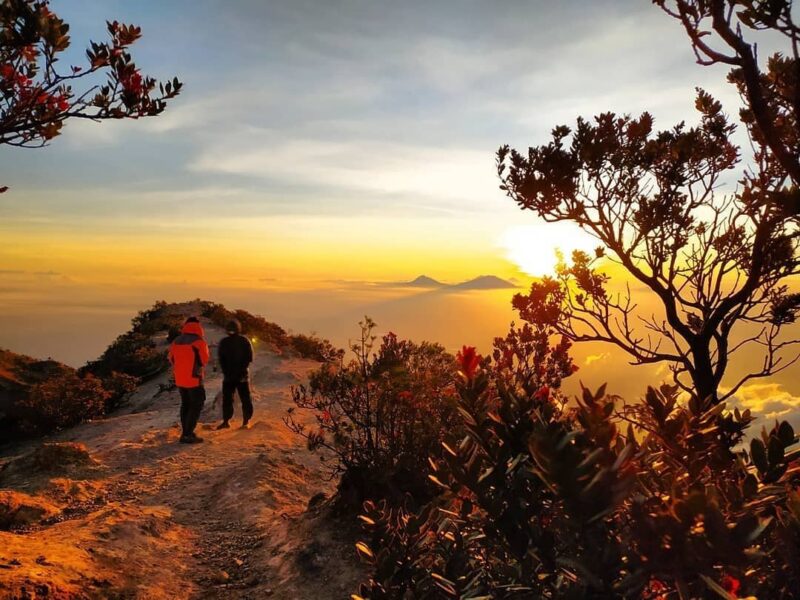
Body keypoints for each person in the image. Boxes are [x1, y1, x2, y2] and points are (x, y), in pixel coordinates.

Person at [168, 317, 210, 443]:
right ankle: (187, 433)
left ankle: (185, 432)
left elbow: (171, 358)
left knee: (185, 404)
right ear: (198, 327)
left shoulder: (177, 340)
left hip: (180, 379)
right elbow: (204, 360)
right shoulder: (199, 341)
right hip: (194, 378)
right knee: (197, 404)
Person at [217, 319, 254, 430]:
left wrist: (228, 371)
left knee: (239, 399)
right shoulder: (242, 341)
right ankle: (231, 421)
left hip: (236, 376)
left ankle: (243, 421)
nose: (231, 331)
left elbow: (249, 358)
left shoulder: (228, 341)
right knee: (234, 399)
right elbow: (249, 357)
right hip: (236, 376)